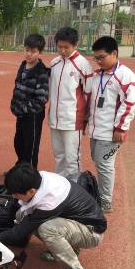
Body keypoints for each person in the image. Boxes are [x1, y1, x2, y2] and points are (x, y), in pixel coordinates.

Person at [85, 36, 135, 213]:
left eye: (101, 57)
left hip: (111, 131)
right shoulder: (97, 74)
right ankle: (101, 195)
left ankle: (106, 201)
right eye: (96, 58)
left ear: (114, 53)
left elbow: (129, 104)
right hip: (96, 129)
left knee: (105, 165)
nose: (98, 61)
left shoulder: (125, 76)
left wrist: (121, 128)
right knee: (98, 161)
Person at [48, 27, 93, 177]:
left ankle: (75, 190)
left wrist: (85, 118)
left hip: (73, 119)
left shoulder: (83, 65)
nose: (62, 50)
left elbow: (88, 94)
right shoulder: (54, 63)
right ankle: (61, 187)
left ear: (75, 45)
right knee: (59, 156)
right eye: (59, 47)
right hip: (55, 119)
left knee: (72, 158)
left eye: (66, 47)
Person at [11, 33, 49, 169]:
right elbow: (17, 86)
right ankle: (21, 167)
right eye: (27, 50)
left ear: (40, 52)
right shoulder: (23, 65)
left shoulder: (42, 72)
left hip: (33, 115)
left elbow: (42, 98)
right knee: (18, 142)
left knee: (31, 146)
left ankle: (30, 174)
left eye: (33, 52)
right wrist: (14, 105)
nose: (29, 54)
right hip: (20, 113)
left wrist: (24, 108)